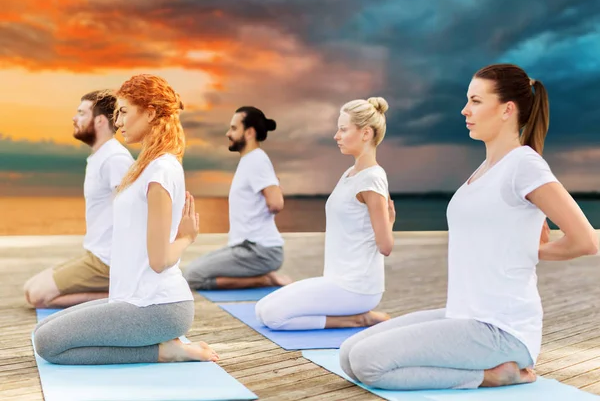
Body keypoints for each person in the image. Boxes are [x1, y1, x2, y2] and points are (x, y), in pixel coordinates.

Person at [339, 63, 599, 391]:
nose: (465, 110)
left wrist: (532, 251)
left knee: (367, 363)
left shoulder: (525, 164)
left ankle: (492, 376)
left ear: (507, 110)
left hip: (502, 329)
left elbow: (586, 240)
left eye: (476, 101)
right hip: (463, 314)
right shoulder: (485, 168)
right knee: (348, 354)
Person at [33, 74, 218, 365]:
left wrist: (185, 238)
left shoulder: (161, 171)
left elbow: (158, 261)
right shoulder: (144, 168)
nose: (117, 121)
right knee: (42, 329)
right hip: (131, 298)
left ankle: (166, 351)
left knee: (48, 344)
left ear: (150, 112)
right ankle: (163, 346)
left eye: (123, 111)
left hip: (157, 306)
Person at [254, 97, 394, 330]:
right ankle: (358, 316)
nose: (336, 136)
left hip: (356, 287)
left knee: (273, 317)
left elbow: (386, 246)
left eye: (343, 129)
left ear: (366, 133)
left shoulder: (372, 179)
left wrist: (389, 222)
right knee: (261, 309)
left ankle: (357, 319)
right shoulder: (351, 172)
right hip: (335, 280)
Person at [24, 90, 133, 308]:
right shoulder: (100, 156)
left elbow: (137, 208)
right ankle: (119, 290)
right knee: (29, 288)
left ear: (100, 121)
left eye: (82, 113)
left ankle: (124, 295)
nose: (75, 118)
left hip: (109, 261)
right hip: (95, 255)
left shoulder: (115, 159)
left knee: (38, 296)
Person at [183, 107, 290, 290]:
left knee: (193, 277)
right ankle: (262, 275)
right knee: (188, 271)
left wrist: (275, 188)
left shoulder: (257, 160)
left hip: (259, 251)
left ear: (249, 132)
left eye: (233, 128)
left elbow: (276, 203)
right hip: (245, 248)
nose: (228, 133)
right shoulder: (250, 160)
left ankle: (263, 279)